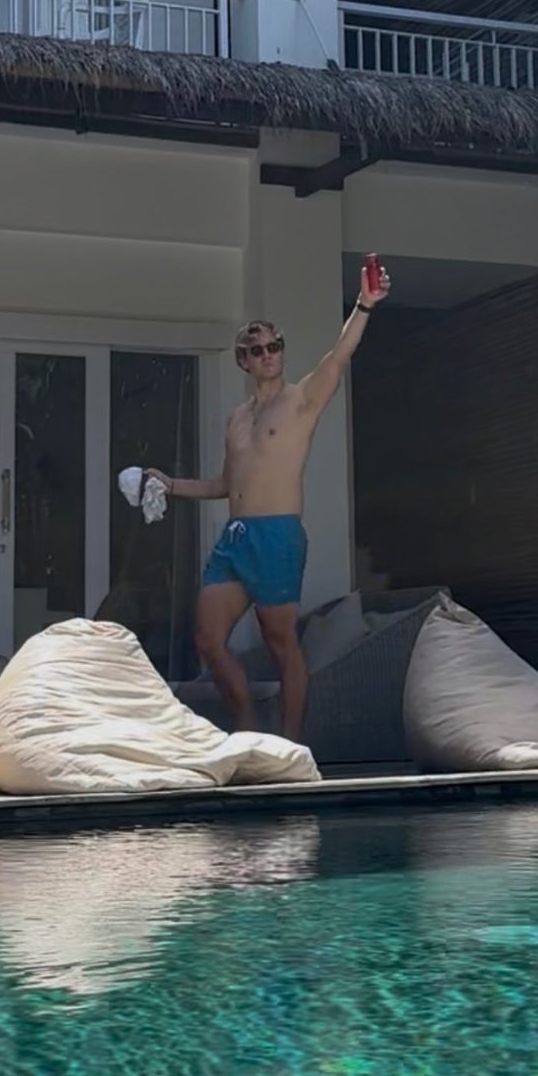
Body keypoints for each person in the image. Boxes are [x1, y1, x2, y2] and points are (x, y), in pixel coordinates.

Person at [148, 259, 391, 740]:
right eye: (256, 350)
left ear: (282, 352)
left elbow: (340, 355)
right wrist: (169, 484)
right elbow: (225, 485)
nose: (267, 355)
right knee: (208, 640)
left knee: (281, 646)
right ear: (243, 360)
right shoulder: (238, 418)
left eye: (274, 347)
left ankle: (290, 747)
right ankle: (246, 733)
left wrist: (365, 304)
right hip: (235, 538)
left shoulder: (301, 400)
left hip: (276, 534)